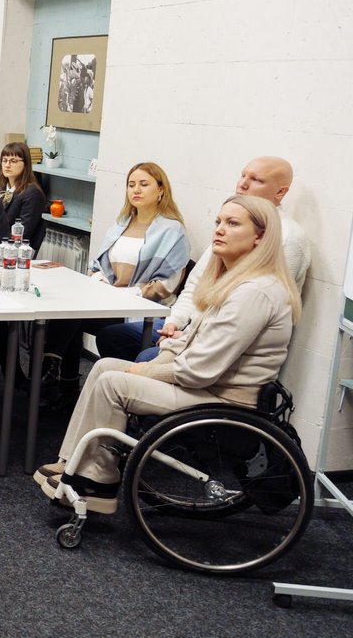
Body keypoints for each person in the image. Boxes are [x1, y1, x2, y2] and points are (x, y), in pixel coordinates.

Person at [37, 195, 301, 514]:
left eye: (233, 224)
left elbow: (198, 370)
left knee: (114, 384)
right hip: (205, 388)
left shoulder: (255, 292)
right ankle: (73, 462)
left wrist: (141, 372)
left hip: (224, 401)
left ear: (260, 237)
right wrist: (154, 362)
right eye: (218, 221)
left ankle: (100, 479)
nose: (219, 229)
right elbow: (184, 343)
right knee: (104, 366)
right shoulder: (233, 281)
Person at [94, 156, 311, 362]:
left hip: (225, 341)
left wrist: (190, 338)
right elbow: (195, 286)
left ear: (281, 192)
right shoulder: (229, 229)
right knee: (112, 337)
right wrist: (174, 323)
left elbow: (254, 317)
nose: (242, 184)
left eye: (256, 180)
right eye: (243, 175)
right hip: (193, 325)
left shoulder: (288, 237)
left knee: (145, 360)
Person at [40, 162, 189, 408]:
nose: (136, 190)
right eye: (131, 185)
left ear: (161, 190)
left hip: (142, 311)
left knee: (78, 319)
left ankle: (53, 378)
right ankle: (60, 381)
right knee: (66, 313)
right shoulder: (122, 223)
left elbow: (166, 284)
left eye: (144, 184)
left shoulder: (172, 231)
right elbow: (99, 265)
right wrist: (99, 281)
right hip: (110, 303)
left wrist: (125, 294)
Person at [0, 141, 45, 247]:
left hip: (13, 251)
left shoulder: (32, 193)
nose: (7, 165)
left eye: (13, 161)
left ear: (25, 164)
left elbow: (22, 235)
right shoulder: (3, 189)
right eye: (4, 160)